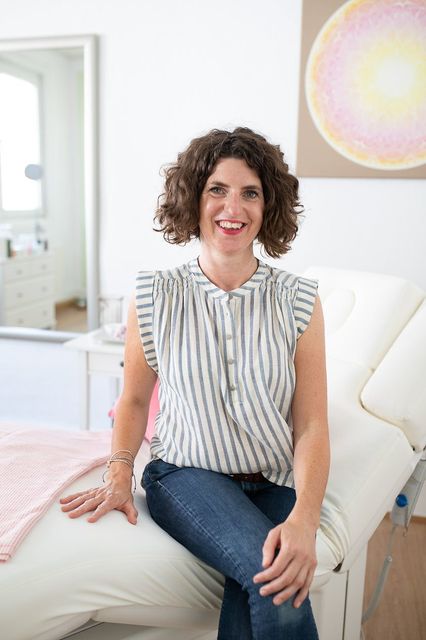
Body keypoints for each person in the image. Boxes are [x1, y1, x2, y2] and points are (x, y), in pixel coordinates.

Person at [60, 127, 330, 640]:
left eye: (250, 192)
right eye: (217, 190)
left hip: (275, 481)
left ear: (268, 205)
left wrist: (305, 519)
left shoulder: (298, 299)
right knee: (276, 582)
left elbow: (312, 424)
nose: (233, 207)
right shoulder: (153, 295)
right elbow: (133, 400)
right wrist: (119, 473)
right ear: (192, 199)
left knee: (268, 583)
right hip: (186, 475)